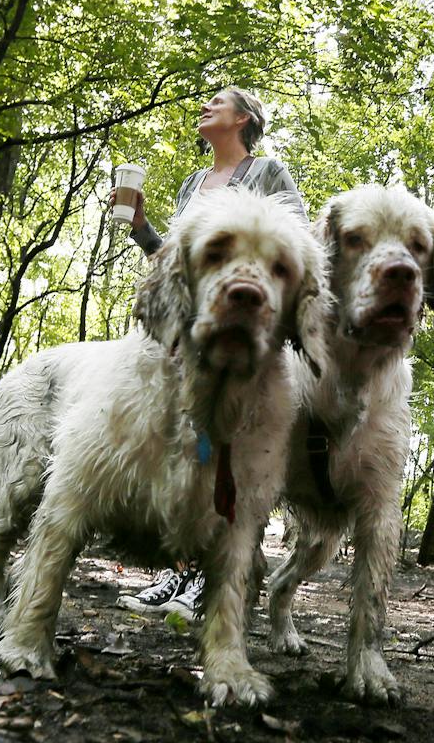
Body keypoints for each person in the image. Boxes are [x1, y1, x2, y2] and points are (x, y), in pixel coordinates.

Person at [115, 87, 306, 615]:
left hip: (246, 339)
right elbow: (174, 261)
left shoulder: (268, 173)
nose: (204, 105)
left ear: (243, 117)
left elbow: (293, 243)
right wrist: (142, 230)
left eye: (217, 101)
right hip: (186, 339)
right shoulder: (192, 183)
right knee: (188, 450)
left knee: (234, 451)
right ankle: (179, 574)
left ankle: (222, 576)